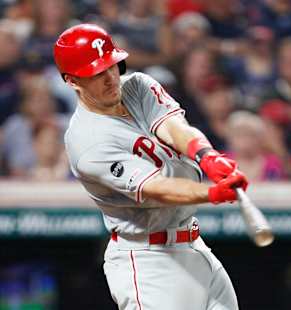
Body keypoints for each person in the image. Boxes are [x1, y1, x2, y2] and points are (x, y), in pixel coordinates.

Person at [53, 24, 248, 310]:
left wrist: (206, 155)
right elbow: (157, 189)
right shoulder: (87, 142)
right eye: (96, 73)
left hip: (194, 243)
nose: (110, 78)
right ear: (72, 81)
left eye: (112, 66)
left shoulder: (138, 85)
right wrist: (212, 194)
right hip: (149, 261)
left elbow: (174, 127)